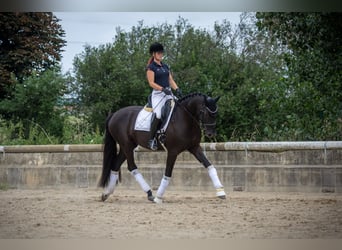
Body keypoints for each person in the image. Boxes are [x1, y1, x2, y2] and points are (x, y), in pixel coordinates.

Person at [146, 42, 182, 150]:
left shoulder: (165, 66)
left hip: (168, 93)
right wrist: (162, 89)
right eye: (159, 53)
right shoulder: (151, 67)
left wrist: (177, 89)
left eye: (162, 52)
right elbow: (151, 83)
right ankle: (151, 139)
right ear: (154, 54)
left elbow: (170, 80)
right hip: (158, 94)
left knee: (178, 108)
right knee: (157, 115)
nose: (161, 54)